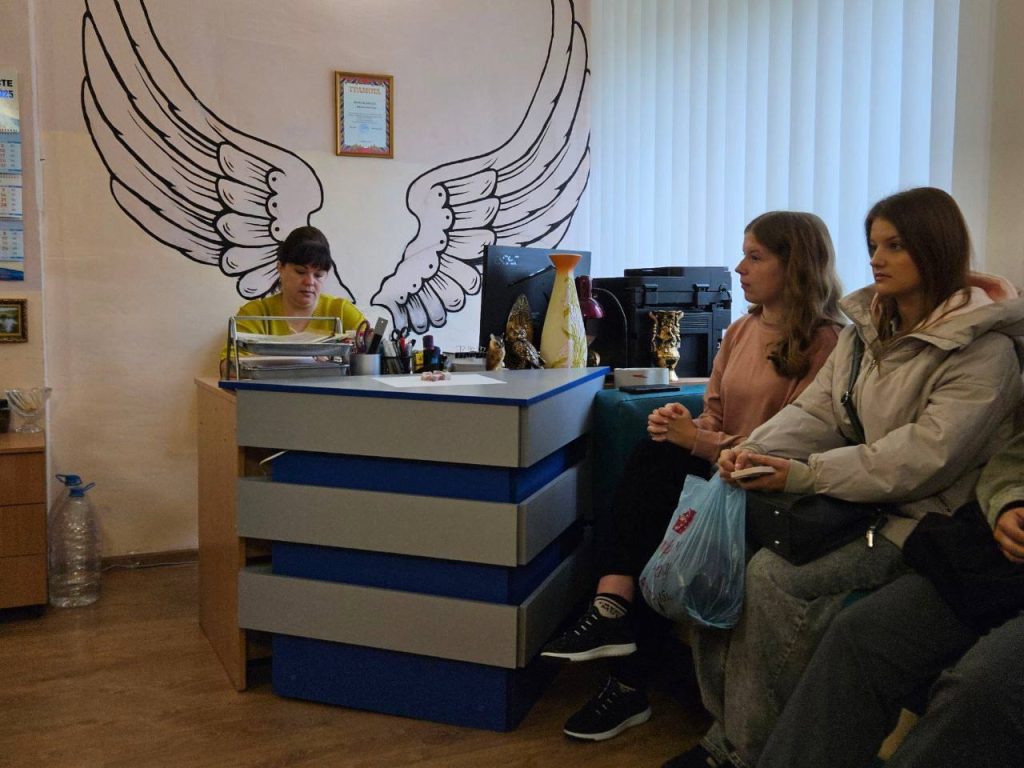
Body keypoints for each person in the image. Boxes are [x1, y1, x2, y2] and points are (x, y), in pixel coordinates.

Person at [662, 187, 1024, 768]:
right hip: (857, 502)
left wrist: (803, 475)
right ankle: (725, 737)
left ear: (935, 248)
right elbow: (820, 411)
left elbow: (921, 459)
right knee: (724, 555)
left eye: (895, 246)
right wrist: (753, 450)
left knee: (773, 580)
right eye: (874, 245)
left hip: (924, 523)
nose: (877, 259)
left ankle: (746, 752)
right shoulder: (866, 330)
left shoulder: (985, 351)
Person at [540, 211, 845, 741]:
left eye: (755, 257)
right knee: (656, 457)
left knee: (658, 499)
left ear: (795, 265)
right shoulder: (743, 330)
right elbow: (716, 416)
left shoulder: (829, 344)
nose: (740, 268)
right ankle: (613, 616)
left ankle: (620, 649)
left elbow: (790, 446)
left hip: (770, 485)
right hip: (721, 470)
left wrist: (697, 441)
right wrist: (684, 424)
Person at [756, 427, 1024, 768]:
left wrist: (805, 474)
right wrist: (1010, 502)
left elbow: (925, 455)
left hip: (902, 512)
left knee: (983, 688)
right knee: (858, 633)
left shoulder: (982, 389)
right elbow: (1013, 464)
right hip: (996, 563)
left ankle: (737, 747)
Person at [220, 226, 364, 375]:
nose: (309, 282)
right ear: (280, 268)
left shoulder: (341, 311)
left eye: (318, 275)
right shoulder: (255, 313)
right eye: (300, 272)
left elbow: (372, 355)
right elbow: (228, 366)